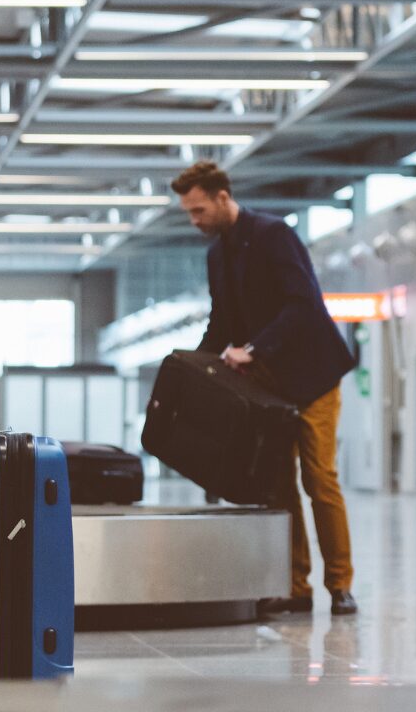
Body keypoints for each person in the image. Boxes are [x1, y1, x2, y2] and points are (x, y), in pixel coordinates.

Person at [174, 160, 360, 617]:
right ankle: (295, 587)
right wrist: (195, 368)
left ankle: (340, 584)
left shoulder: (274, 234)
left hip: (312, 376)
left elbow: (303, 302)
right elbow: (222, 323)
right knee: (278, 488)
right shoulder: (217, 255)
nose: (194, 220)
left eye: (199, 211)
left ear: (222, 197)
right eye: (189, 213)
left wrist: (254, 348)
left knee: (320, 479)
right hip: (269, 387)